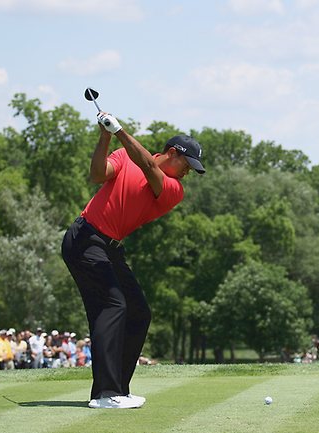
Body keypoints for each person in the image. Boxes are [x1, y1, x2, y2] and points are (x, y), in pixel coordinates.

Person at [61, 111, 205, 409]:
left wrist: (120, 132)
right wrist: (104, 137)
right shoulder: (125, 157)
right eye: (187, 165)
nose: (188, 172)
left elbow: (148, 164)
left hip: (110, 248)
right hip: (85, 239)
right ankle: (105, 393)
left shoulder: (173, 190)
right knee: (114, 305)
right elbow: (98, 175)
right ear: (173, 153)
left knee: (138, 312)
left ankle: (118, 389)